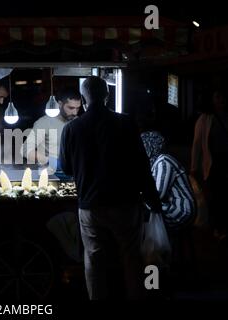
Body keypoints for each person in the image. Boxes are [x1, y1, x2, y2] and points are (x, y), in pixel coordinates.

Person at [59, 76, 161, 300]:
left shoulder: (71, 129)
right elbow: (141, 166)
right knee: (131, 257)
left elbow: (65, 168)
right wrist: (153, 200)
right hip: (125, 203)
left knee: (94, 261)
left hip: (90, 206)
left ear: (84, 100)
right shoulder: (125, 123)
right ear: (107, 96)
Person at [191, 90, 228, 241]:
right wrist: (194, 167)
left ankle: (219, 227)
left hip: (222, 164)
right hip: (213, 166)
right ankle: (218, 227)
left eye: (222, 97)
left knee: (221, 196)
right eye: (218, 97)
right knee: (216, 197)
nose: (221, 100)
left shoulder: (216, 118)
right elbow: (197, 145)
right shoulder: (204, 120)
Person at [141, 131, 195, 230]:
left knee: (137, 213)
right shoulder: (156, 163)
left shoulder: (164, 161)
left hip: (180, 211)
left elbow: (158, 194)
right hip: (171, 207)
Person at [21, 87, 81, 168]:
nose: (75, 112)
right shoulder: (44, 123)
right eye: (71, 108)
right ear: (60, 104)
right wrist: (49, 160)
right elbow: (26, 150)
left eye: (78, 108)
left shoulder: (78, 122)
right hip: (50, 173)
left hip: (74, 172)